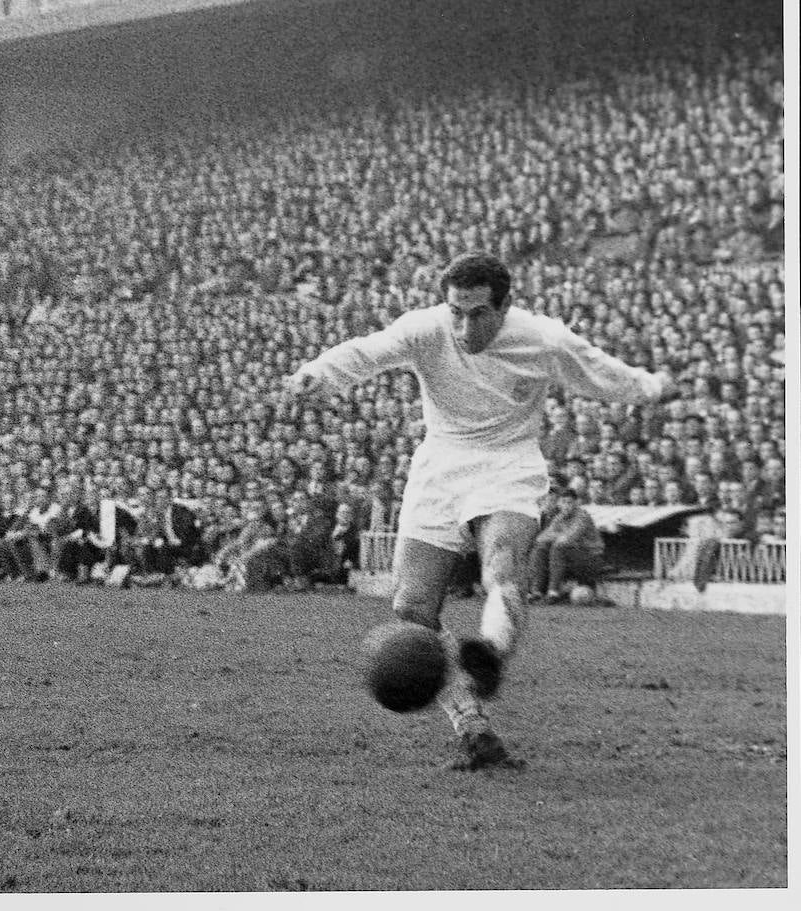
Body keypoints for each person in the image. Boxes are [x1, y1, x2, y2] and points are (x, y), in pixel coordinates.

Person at [283, 253, 673, 769]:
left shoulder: (543, 338)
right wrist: (316, 373)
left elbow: (603, 374)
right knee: (410, 608)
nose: (465, 327)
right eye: (456, 312)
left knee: (502, 565)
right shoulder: (427, 329)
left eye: (478, 314)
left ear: (505, 305)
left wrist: (655, 387)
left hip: (508, 463)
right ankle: (472, 728)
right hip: (440, 464)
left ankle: (489, 652)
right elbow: (368, 350)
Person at [528, 487, 606, 603]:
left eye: (569, 502)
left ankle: (553, 592)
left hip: (591, 559)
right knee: (540, 549)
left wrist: (556, 535)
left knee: (558, 548)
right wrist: (558, 535)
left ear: (576, 503)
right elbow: (540, 539)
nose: (566, 506)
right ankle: (536, 592)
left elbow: (568, 539)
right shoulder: (559, 518)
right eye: (563, 502)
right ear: (558, 504)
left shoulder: (582, 516)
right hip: (571, 559)